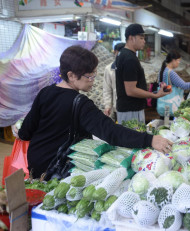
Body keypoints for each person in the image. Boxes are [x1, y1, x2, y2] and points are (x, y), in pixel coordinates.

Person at [17, 45, 173, 179]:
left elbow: (25, 132)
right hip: (57, 170)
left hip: (35, 164)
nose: (93, 79)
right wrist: (150, 140)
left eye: (94, 74)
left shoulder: (45, 92)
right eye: (89, 76)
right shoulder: (80, 104)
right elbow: (110, 132)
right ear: (71, 75)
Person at [115, 23, 169, 124]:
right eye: (141, 38)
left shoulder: (123, 54)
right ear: (131, 38)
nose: (144, 41)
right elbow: (130, 90)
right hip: (131, 111)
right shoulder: (129, 59)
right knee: (133, 139)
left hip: (127, 109)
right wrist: (155, 95)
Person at [103, 42, 125, 120]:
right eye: (120, 53)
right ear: (115, 52)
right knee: (120, 129)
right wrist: (108, 106)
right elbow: (107, 89)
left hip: (131, 106)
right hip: (118, 107)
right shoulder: (109, 69)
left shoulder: (131, 67)